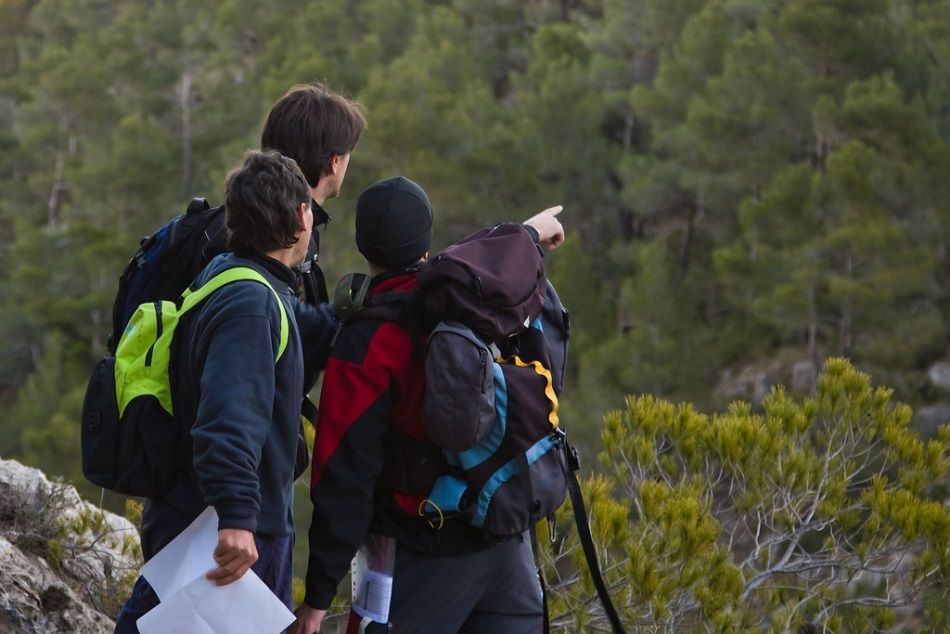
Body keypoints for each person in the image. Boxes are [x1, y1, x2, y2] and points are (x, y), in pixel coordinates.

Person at [291, 176, 564, 634]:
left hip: (419, 557)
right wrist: (529, 235)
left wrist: (317, 599)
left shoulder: (367, 342)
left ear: (363, 245)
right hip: (507, 549)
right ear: (426, 239)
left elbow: (343, 478)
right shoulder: (474, 305)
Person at [113, 150, 333, 631]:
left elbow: (298, 331)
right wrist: (237, 518)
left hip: (193, 515)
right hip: (220, 531)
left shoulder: (232, 277)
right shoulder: (252, 303)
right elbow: (228, 416)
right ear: (302, 216)